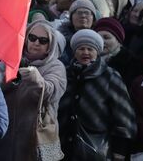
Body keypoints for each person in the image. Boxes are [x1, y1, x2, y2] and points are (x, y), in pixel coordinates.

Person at [58, 29, 137, 160]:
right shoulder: (64, 74)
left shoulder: (110, 76)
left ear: (97, 51)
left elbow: (124, 117)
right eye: (81, 48)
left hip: (96, 150)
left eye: (90, 49)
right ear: (74, 51)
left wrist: (119, 152)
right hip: (62, 148)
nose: (85, 52)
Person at [0, 20, 67, 161]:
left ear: (50, 46)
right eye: (32, 38)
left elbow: (52, 92)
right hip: (5, 136)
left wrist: (36, 80)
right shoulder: (11, 59)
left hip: (36, 138)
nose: (36, 43)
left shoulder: (56, 66)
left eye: (43, 40)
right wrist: (8, 77)